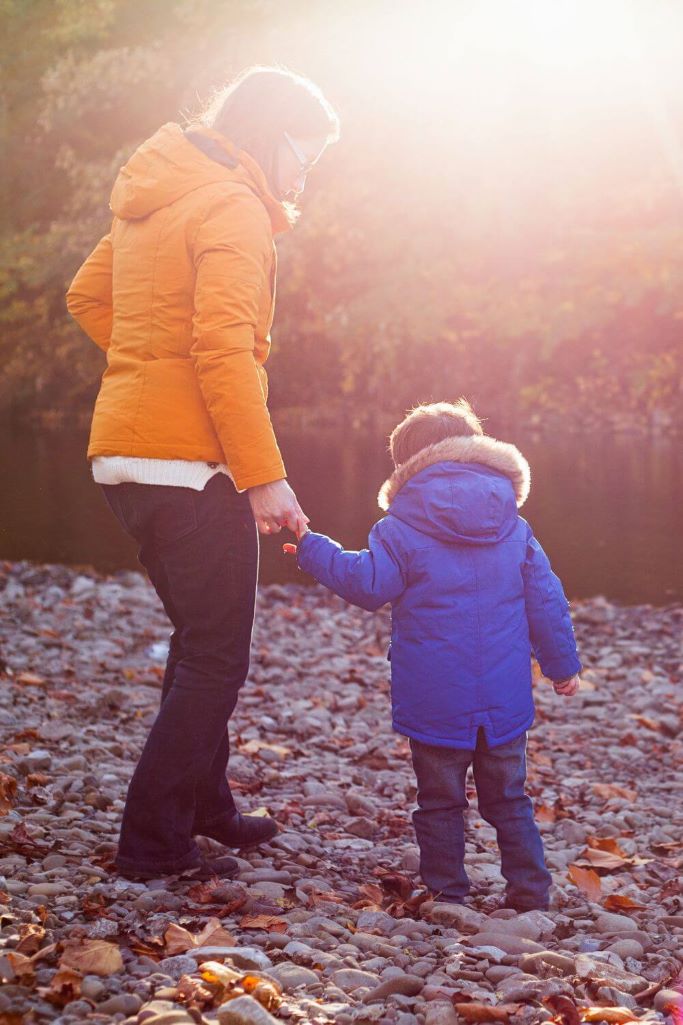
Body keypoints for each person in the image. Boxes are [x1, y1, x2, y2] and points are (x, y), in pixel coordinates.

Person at [65, 66, 339, 881]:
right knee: (217, 655)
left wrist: (148, 372)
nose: (304, 174)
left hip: (124, 461)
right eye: (305, 153)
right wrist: (264, 477)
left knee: (197, 641)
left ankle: (206, 805)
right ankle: (151, 843)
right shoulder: (233, 206)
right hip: (188, 468)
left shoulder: (162, 192)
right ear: (272, 136)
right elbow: (222, 353)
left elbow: (87, 297)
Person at [289, 400, 582, 909]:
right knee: (510, 798)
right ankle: (531, 891)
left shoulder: (401, 528)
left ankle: (449, 893)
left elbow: (368, 585)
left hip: (434, 698)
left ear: (406, 465)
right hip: (503, 700)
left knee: (440, 801)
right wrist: (562, 667)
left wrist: (313, 548)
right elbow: (547, 601)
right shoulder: (514, 526)